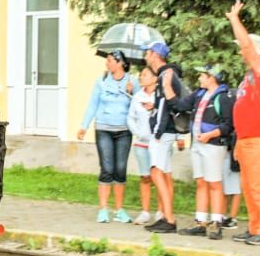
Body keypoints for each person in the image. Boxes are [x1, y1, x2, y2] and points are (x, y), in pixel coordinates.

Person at [226, 0, 260, 245]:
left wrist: (235, 19)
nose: (240, 52)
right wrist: (238, 141)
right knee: (249, 185)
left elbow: (246, 46)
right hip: (247, 138)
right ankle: (255, 225)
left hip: (258, 138)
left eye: (244, 50)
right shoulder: (249, 76)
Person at [165, 63, 234, 240]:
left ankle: (217, 222)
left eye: (202, 75)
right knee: (201, 182)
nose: (199, 78)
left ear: (211, 78)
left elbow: (228, 125)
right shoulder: (199, 94)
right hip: (197, 144)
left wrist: (210, 135)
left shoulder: (223, 97)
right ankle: (200, 222)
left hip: (213, 145)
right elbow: (179, 105)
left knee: (215, 184)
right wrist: (166, 86)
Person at [78, 51, 135, 223]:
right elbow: (92, 104)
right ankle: (103, 210)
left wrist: (131, 94)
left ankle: (119, 210)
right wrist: (84, 126)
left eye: (110, 61)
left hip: (124, 130)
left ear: (120, 63)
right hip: (104, 129)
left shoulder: (132, 82)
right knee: (107, 168)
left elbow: (140, 105)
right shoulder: (102, 81)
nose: (107, 64)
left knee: (120, 168)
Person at [141, 41, 183, 233]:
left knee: (157, 172)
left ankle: (169, 219)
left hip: (162, 132)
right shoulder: (167, 74)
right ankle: (166, 216)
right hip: (166, 130)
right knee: (164, 173)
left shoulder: (166, 75)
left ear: (155, 55)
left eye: (147, 52)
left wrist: (157, 131)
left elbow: (167, 106)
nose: (145, 56)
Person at [126, 65, 162, 225]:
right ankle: (145, 212)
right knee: (145, 177)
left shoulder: (160, 96)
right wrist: (137, 132)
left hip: (158, 143)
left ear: (155, 78)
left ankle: (162, 211)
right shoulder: (137, 96)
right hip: (141, 143)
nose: (141, 77)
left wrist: (154, 108)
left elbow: (167, 114)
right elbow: (130, 118)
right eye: (141, 75)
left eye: (145, 75)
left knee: (160, 177)